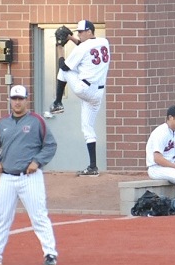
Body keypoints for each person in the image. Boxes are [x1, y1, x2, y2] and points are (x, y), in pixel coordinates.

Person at [0, 85, 58, 265]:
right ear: (10, 100)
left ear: (27, 100)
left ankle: (50, 253)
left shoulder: (37, 121)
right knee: (2, 217)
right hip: (7, 177)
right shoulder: (1, 124)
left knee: (39, 216)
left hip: (30, 177)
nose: (17, 102)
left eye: (20, 99)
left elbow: (50, 145)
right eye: (14, 99)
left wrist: (37, 162)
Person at [50, 20, 110, 176]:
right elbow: (85, 48)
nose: (79, 34)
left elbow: (64, 66)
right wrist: (71, 38)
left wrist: (60, 48)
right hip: (97, 94)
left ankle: (57, 103)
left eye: (81, 32)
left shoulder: (83, 47)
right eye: (77, 32)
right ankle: (93, 167)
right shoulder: (104, 41)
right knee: (87, 128)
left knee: (63, 71)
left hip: (84, 88)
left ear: (89, 31)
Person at [146, 104, 175, 209]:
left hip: (169, 167)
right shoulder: (161, 132)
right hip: (156, 168)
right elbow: (157, 159)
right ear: (171, 117)